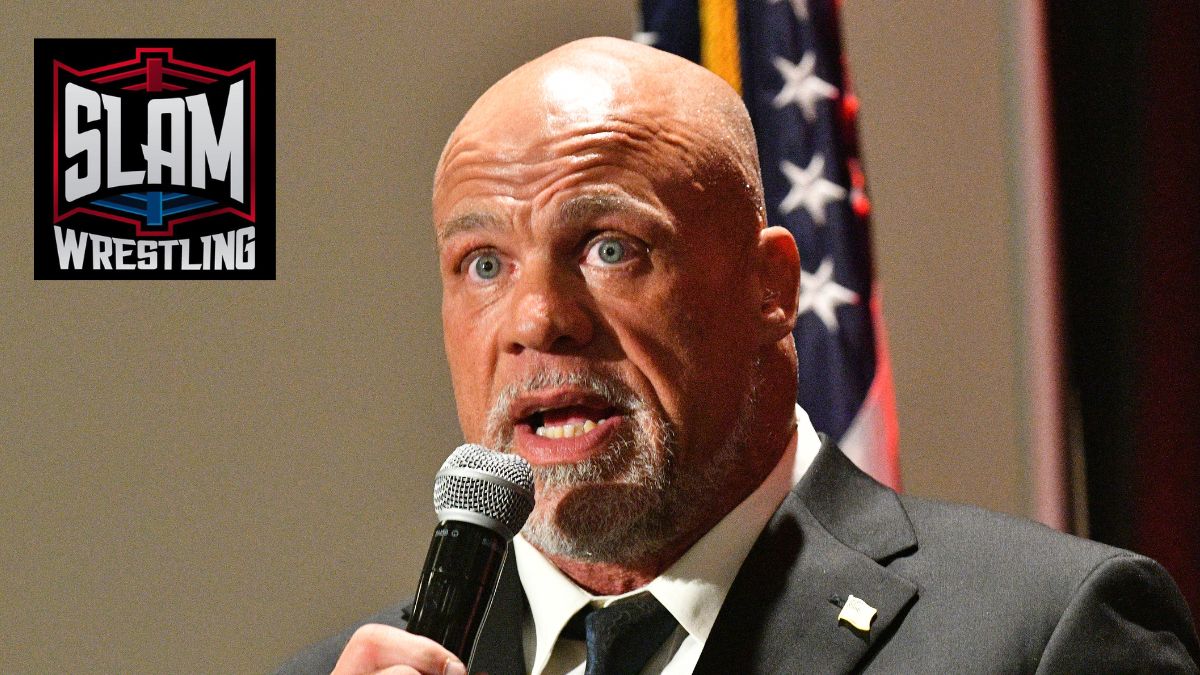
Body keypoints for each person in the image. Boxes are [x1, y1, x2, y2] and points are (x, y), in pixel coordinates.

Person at [278, 37, 1199, 674]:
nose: (539, 318)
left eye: (609, 247)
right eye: (484, 264)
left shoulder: (1044, 636)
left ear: (771, 287)